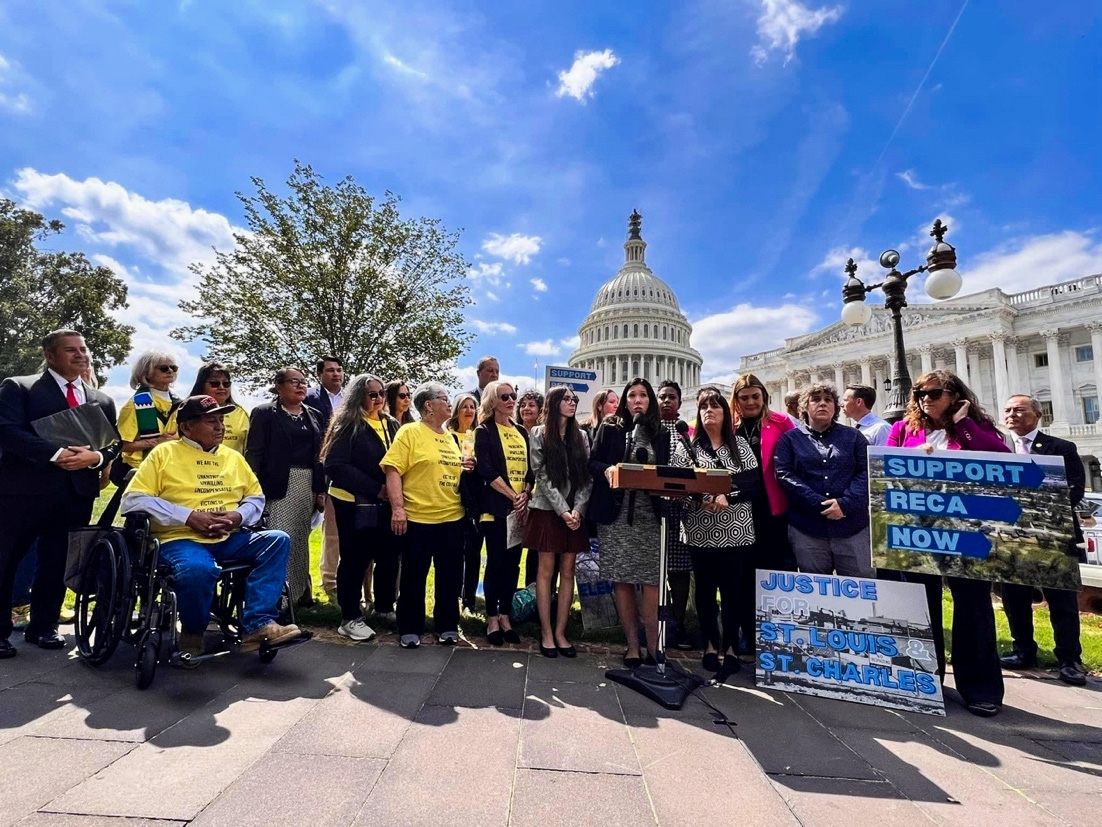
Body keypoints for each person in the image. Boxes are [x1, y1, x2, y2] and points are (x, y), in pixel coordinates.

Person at [121, 394, 299, 660]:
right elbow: (133, 500)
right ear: (186, 427)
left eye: (221, 421)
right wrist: (189, 517)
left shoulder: (233, 458)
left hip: (229, 536)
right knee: (198, 569)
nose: (220, 427)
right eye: (211, 421)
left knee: (278, 539)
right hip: (179, 538)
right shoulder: (164, 454)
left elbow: (255, 498)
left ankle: (258, 624)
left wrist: (237, 517)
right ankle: (193, 633)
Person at [887, 369, 1009, 717]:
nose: (926, 399)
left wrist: (963, 424)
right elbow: (885, 467)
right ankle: (925, 680)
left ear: (955, 395)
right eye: (920, 394)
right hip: (918, 531)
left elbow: (999, 458)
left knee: (973, 607)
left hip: (965, 533)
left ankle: (980, 687)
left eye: (935, 393)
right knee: (920, 607)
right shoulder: (903, 429)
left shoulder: (975, 427)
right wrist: (914, 457)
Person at [0, 330, 120, 659]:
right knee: (6, 561)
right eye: (71, 350)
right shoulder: (20, 387)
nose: (81, 354)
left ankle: (44, 626)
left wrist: (95, 458)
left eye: (83, 348)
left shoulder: (101, 400)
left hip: (75, 494)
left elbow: (113, 443)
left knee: (56, 562)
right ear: (50, 355)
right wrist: (56, 454)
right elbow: (6, 431)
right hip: (23, 493)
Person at [999, 394, 1087, 686]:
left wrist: (1031, 508)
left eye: (1019, 410)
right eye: (1008, 410)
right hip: (1010, 535)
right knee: (1015, 597)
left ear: (1037, 415)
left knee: (1061, 600)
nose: (1012, 415)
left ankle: (1070, 659)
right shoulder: (997, 448)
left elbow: (1074, 489)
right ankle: (1023, 650)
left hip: (1052, 534)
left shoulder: (1061, 447)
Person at [381, 383, 476, 648]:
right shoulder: (410, 432)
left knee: (450, 577)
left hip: (452, 518)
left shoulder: (451, 437)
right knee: (414, 577)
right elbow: (392, 469)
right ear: (428, 406)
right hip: (418, 518)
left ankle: (447, 625)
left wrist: (466, 467)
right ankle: (410, 627)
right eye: (444, 398)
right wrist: (398, 509)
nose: (449, 403)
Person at [676, 387, 760, 680]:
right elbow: (678, 487)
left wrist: (728, 496)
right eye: (704, 407)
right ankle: (710, 645)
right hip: (701, 531)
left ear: (725, 412)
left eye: (715, 406)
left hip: (736, 531)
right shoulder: (688, 448)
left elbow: (753, 484)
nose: (709, 411)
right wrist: (701, 499)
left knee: (733, 590)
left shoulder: (740, 445)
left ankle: (731, 647)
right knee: (705, 591)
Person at [588, 377, 670, 667]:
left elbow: (666, 470)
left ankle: (653, 646)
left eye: (643, 395)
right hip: (617, 515)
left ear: (650, 401)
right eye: (632, 395)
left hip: (649, 515)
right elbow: (593, 462)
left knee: (650, 581)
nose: (637, 400)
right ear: (625, 400)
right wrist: (609, 470)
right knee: (622, 579)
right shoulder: (611, 427)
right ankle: (632, 645)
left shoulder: (661, 432)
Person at [321, 374, 399, 643]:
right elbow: (335, 465)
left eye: (381, 394)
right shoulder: (348, 424)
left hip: (385, 502)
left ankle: (384, 607)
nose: (378, 399)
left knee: (388, 554)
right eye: (372, 394)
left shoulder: (391, 424)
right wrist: (375, 488)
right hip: (353, 503)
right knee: (355, 558)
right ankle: (350, 617)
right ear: (358, 397)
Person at [245, 367, 326, 606]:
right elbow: (254, 452)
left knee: (300, 540)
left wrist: (320, 490)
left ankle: (298, 594)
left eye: (303, 382)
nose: (301, 386)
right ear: (278, 387)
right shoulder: (264, 413)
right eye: (294, 382)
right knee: (280, 539)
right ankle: (276, 599)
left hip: (307, 485)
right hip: (277, 485)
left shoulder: (314, 415)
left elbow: (320, 455)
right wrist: (252, 489)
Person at [774, 383, 872, 578]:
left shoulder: (854, 437)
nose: (823, 404)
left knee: (861, 585)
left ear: (835, 407)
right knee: (815, 588)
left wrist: (845, 504)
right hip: (808, 528)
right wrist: (819, 503)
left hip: (851, 527)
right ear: (804, 406)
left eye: (828, 400)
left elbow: (866, 471)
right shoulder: (790, 439)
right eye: (816, 400)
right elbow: (784, 474)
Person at [475, 381, 534, 646]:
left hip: (519, 511)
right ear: (492, 401)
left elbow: (531, 470)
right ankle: (491, 618)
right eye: (505, 397)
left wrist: (525, 495)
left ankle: (506, 615)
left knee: (513, 566)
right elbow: (486, 470)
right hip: (495, 510)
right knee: (496, 563)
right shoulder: (484, 431)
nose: (511, 401)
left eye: (513, 396)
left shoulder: (521, 431)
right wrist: (513, 496)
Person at [730, 374, 796, 577]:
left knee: (774, 561)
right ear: (736, 400)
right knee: (743, 566)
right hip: (738, 505)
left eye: (755, 396)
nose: (750, 402)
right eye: (744, 398)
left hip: (771, 503)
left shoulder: (781, 421)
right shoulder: (729, 426)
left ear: (764, 397)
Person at [656, 380, 694, 650]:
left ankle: (678, 622)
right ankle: (658, 620)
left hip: (681, 509)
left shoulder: (687, 432)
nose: (666, 401)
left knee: (679, 570)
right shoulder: (647, 429)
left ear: (680, 402)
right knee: (654, 570)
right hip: (653, 507)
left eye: (671, 397)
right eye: (662, 397)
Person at [306, 356, 346, 604]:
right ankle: (327, 580)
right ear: (319, 374)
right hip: (316, 467)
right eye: (330, 370)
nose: (336, 374)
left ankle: (339, 579)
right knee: (323, 530)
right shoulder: (310, 398)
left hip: (343, 469)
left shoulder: (350, 398)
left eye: (339, 370)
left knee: (340, 529)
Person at [116, 350, 181, 475]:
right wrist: (157, 442)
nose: (170, 371)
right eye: (163, 368)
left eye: (173, 368)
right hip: (140, 471)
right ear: (147, 372)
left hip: (171, 468)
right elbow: (120, 446)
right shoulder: (134, 405)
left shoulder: (181, 404)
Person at [167, 362, 250, 453]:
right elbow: (168, 443)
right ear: (201, 385)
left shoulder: (241, 413)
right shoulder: (183, 411)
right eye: (215, 383)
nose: (221, 387)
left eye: (226, 383)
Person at [447, 393, 480, 612]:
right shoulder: (447, 435)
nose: (469, 411)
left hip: (474, 502)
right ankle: (453, 595)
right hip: (451, 500)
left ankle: (469, 600)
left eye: (472, 407)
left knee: (474, 553)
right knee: (454, 553)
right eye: (464, 407)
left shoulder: (479, 435)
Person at [516, 389, 545, 588]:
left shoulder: (544, 433)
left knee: (537, 550)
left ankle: (535, 591)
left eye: (531, 405)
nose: (526, 409)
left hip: (539, 498)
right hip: (515, 497)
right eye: (523, 405)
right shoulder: (513, 431)